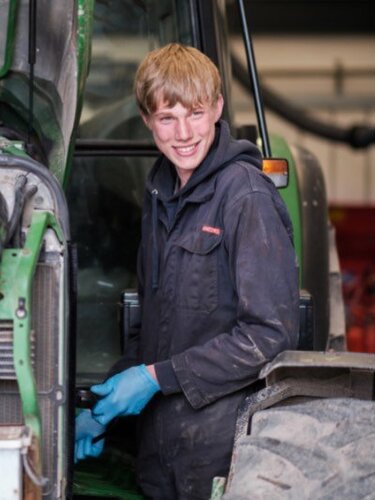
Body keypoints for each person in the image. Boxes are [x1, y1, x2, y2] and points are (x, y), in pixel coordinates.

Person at [75, 43, 299, 499]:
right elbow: (151, 328)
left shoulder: (245, 197)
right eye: (167, 118)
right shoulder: (160, 194)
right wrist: (101, 411)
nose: (183, 133)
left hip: (223, 454)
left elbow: (269, 336)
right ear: (146, 119)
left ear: (217, 108)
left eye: (195, 114)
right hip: (161, 452)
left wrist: (157, 378)